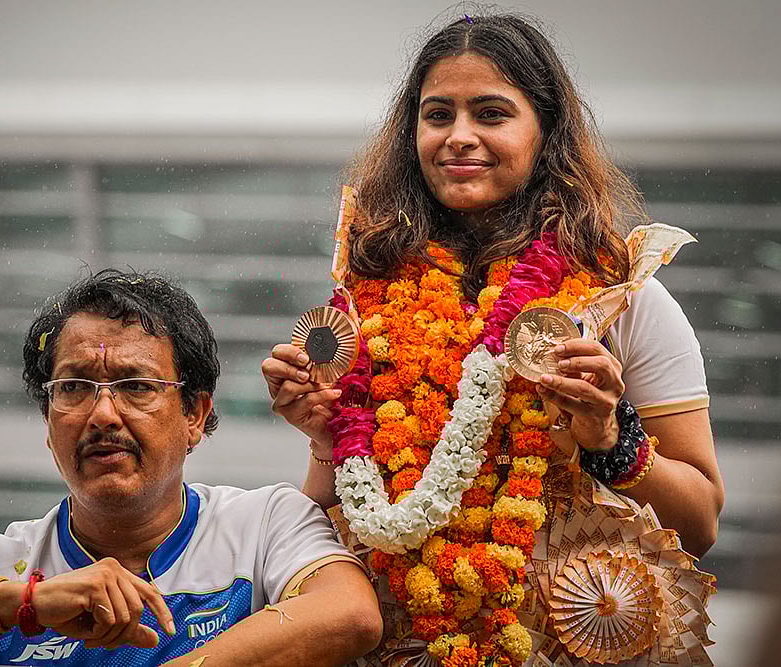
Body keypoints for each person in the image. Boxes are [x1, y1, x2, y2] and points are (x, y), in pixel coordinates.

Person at [261, 12, 723, 666]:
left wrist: (609, 438)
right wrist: (321, 432)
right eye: (438, 114)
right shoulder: (367, 295)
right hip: (398, 635)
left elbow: (701, 523)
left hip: (564, 638)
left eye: (491, 113)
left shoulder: (618, 297)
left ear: (546, 132)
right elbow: (326, 510)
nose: (459, 136)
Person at [0, 269, 382, 667]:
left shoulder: (266, 522)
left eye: (135, 386)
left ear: (196, 415)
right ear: (48, 423)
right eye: (73, 387)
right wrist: (27, 604)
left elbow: (350, 615)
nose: (102, 414)